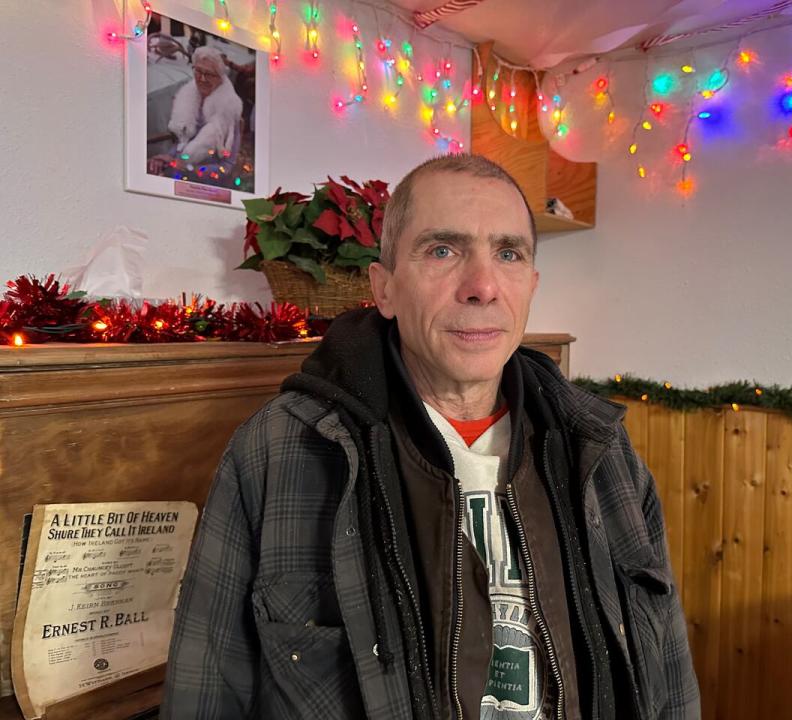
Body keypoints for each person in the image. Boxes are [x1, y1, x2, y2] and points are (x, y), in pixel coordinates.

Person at [160, 154, 700, 719]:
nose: (483, 286)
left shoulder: (599, 449)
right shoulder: (280, 452)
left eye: (508, 253)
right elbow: (206, 688)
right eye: (443, 250)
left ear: (531, 287)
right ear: (385, 288)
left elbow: (667, 676)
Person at [147, 46, 242, 176]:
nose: (202, 79)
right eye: (198, 71)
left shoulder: (229, 110)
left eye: (208, 74)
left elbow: (226, 167)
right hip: (177, 169)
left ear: (220, 77)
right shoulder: (187, 97)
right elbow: (182, 141)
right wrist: (164, 159)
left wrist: (187, 168)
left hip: (206, 183)